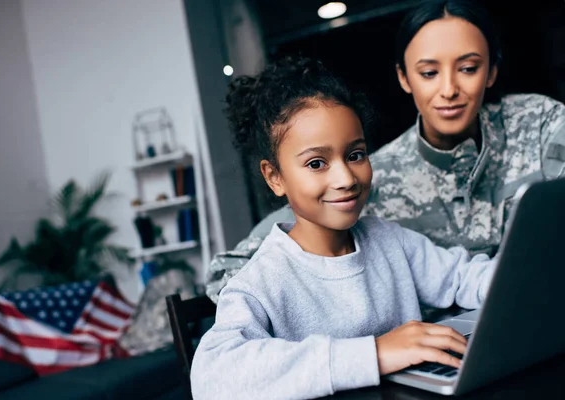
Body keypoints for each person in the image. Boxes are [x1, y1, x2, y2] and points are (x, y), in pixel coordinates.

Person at [206, 0, 565, 304]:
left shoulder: (538, 124)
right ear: (404, 78)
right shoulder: (366, 179)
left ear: (491, 71)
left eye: (468, 68)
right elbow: (234, 271)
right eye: (428, 73)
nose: (449, 89)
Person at [190, 55, 496, 399]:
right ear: (275, 177)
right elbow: (212, 379)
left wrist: (524, 278)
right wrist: (375, 354)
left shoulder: (388, 240)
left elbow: (463, 277)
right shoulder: (260, 283)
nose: (346, 178)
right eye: (317, 163)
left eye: (355, 155)